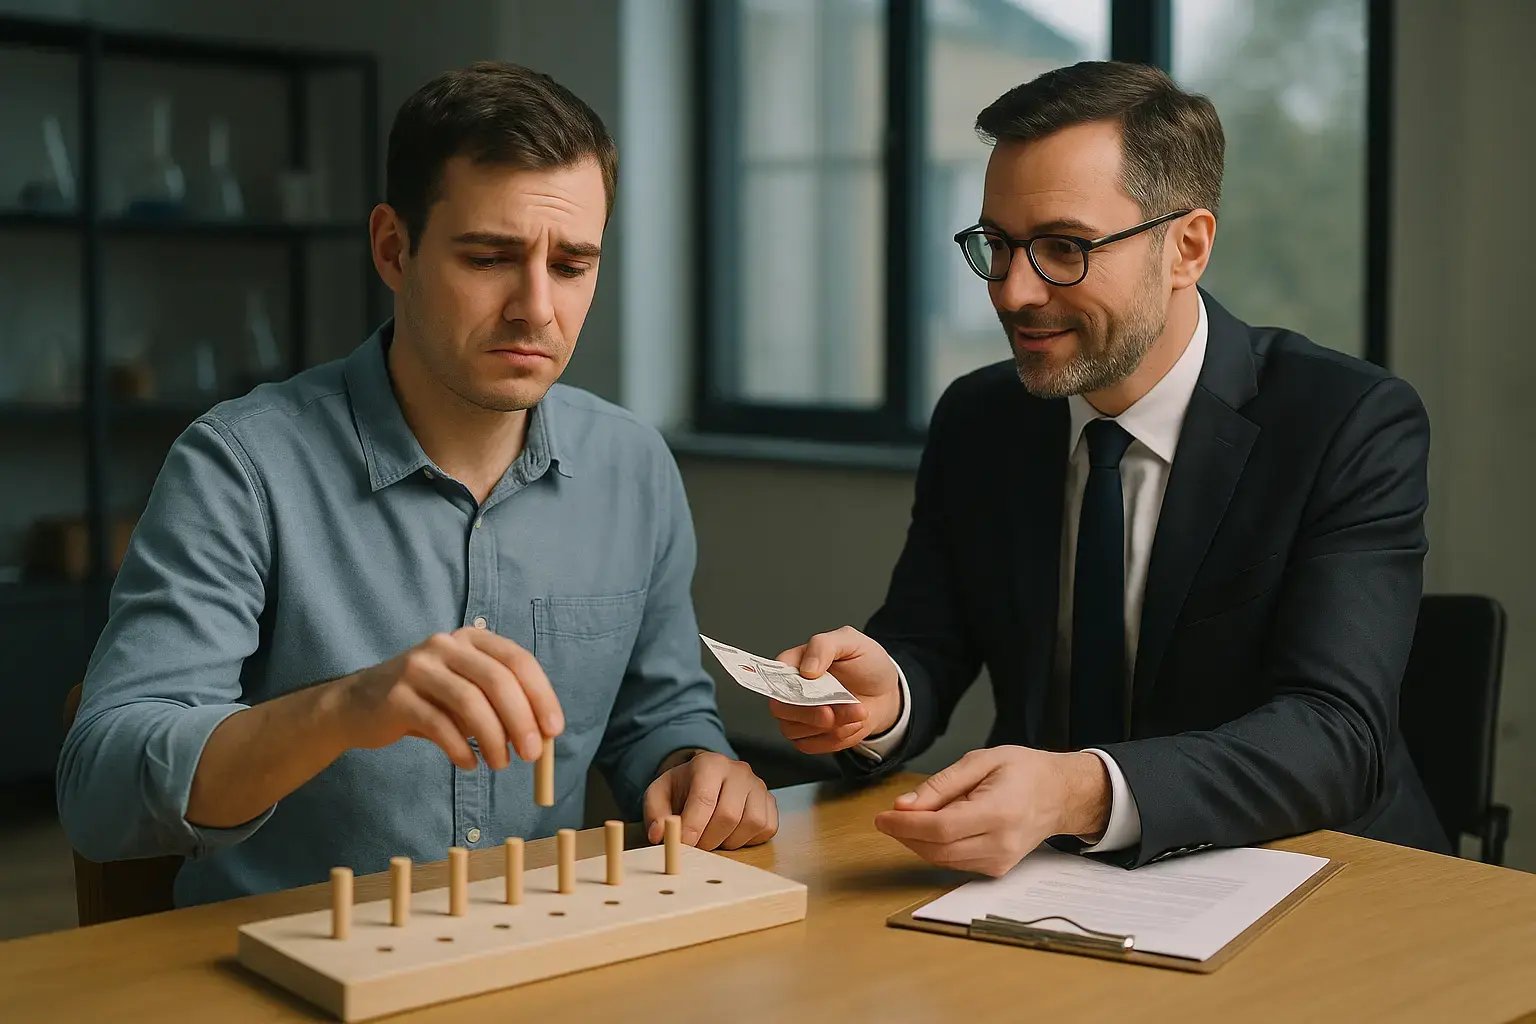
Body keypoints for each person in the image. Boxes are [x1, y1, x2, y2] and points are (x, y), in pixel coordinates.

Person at [57, 62, 775, 907]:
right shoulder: (239, 468)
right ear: (394, 249)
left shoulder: (632, 465)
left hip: (533, 958)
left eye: (573, 265)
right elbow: (99, 794)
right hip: (285, 966)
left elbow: (657, 717)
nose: (536, 308)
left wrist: (694, 766)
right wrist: (341, 711)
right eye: (489, 257)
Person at [768, 60, 1445, 875]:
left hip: (1319, 878)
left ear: (1186, 248)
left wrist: (1079, 789)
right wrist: (883, 702)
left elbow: (1337, 734)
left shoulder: (1346, 421)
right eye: (998, 245)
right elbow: (928, 642)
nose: (1014, 292)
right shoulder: (982, 419)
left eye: (1062, 247)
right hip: (1043, 878)